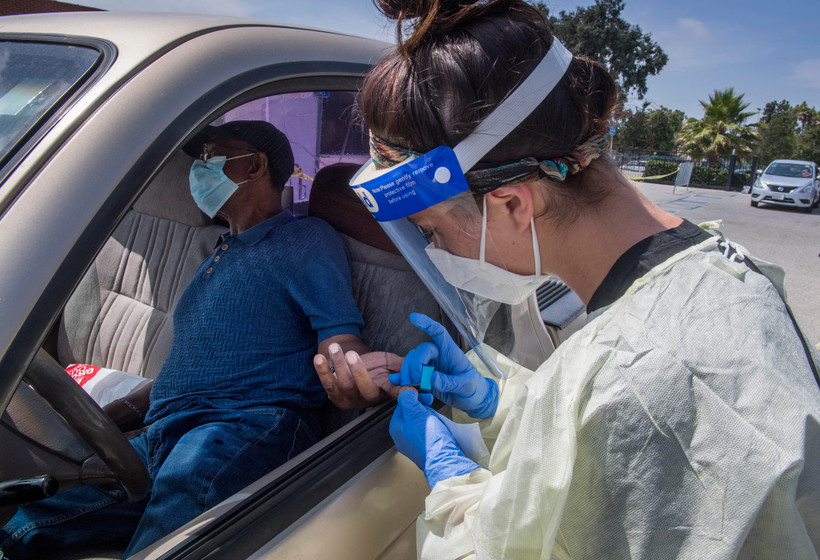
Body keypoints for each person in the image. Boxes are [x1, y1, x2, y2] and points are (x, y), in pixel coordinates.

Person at [326, 1, 820, 558]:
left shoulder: (632, 380)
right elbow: (602, 459)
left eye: (429, 230)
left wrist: (450, 483)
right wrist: (501, 403)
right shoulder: (720, 269)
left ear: (512, 204)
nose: (435, 251)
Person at [0, 120, 393, 558]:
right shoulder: (221, 252)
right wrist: (113, 416)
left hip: (242, 426)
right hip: (162, 435)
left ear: (254, 166)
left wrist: (353, 373)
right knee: (22, 529)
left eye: (211, 156)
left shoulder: (303, 238)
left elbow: (339, 335)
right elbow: (193, 364)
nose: (197, 170)